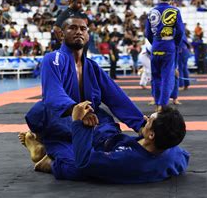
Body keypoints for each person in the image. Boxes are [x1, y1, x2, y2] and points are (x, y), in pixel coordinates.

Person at [21, 17, 146, 176]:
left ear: (87, 35)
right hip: (62, 121)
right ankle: (50, 160)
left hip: (94, 121)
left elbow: (116, 97)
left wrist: (140, 123)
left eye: (83, 29)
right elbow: (53, 93)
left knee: (121, 151)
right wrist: (76, 109)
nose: (79, 31)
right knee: (81, 166)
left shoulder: (93, 67)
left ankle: (43, 150)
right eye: (72, 28)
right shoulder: (53, 59)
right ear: (61, 35)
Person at [20, 102, 189, 183]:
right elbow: (184, 156)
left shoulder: (124, 161)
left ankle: (45, 155)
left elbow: (84, 162)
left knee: (44, 114)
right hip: (109, 137)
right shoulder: (173, 153)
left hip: (92, 153)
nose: (145, 118)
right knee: (87, 103)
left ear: (151, 135)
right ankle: (45, 147)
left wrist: (78, 122)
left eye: (149, 120)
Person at [145, 0, 185, 111]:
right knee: (167, 77)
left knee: (156, 76)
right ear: (171, 1)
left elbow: (147, 33)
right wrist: (175, 43)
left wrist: (155, 42)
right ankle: (162, 104)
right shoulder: (175, 11)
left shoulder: (151, 11)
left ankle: (157, 103)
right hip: (169, 46)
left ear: (160, 0)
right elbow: (180, 31)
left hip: (156, 46)